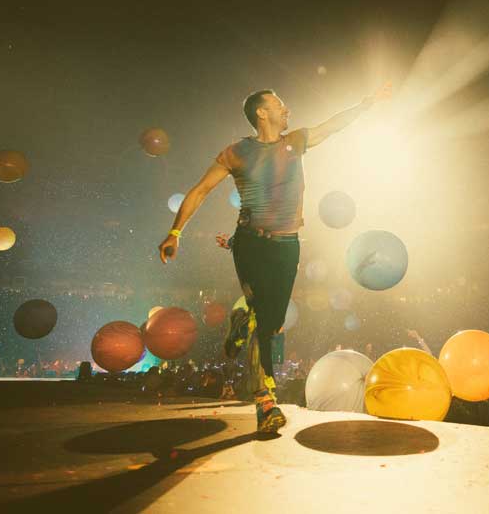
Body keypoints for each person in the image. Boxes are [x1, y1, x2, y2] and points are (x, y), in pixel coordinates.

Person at [159, 84, 391, 433]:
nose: (287, 109)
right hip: (251, 242)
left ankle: (241, 320)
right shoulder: (235, 153)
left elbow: (332, 126)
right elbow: (200, 190)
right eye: (279, 104)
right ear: (261, 113)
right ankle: (266, 402)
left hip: (288, 244)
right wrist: (175, 232)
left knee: (272, 321)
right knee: (265, 327)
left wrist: (366, 103)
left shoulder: (295, 141)